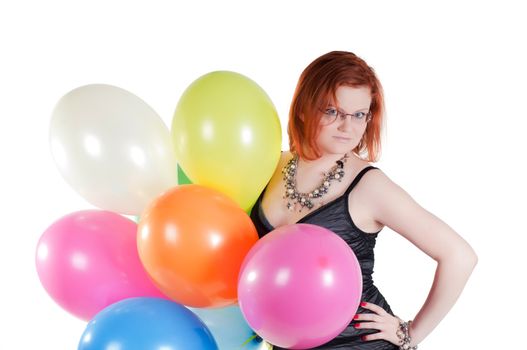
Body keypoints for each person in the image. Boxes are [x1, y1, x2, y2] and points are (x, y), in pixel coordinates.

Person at [249, 51, 478, 349]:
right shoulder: (269, 165)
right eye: (332, 111)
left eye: (359, 115)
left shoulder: (369, 187)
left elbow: (460, 256)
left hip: (360, 342)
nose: (348, 127)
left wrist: (411, 333)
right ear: (304, 109)